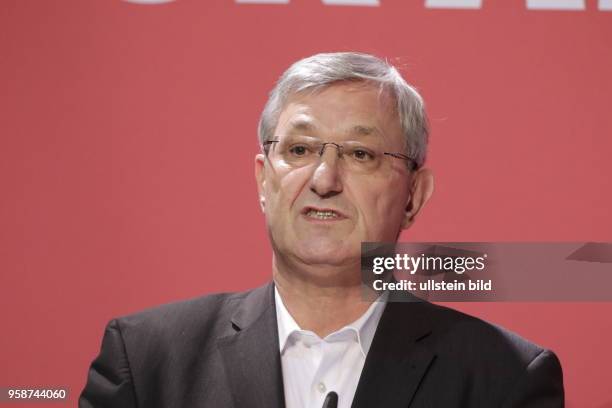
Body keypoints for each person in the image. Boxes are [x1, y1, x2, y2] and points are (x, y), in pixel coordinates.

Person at [79, 52, 564, 408]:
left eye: (360, 154)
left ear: (414, 195)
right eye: (299, 150)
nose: (324, 180)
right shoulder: (146, 361)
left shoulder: (503, 379)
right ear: (262, 180)